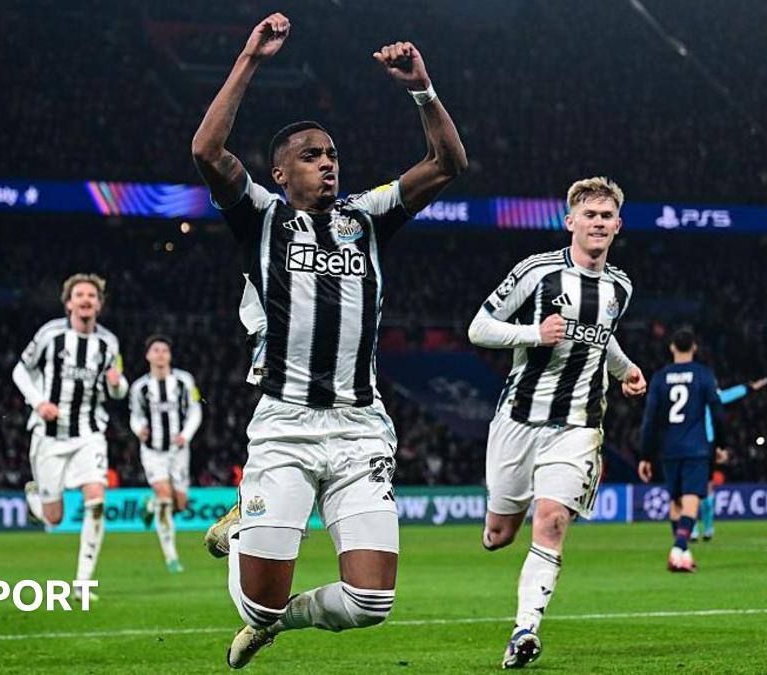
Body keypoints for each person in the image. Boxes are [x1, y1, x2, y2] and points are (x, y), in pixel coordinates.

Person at [190, 12, 467, 668]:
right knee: (255, 604)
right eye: (310, 157)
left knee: (372, 603)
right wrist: (251, 59)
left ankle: (282, 619)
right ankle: (262, 601)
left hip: (358, 426)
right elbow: (206, 151)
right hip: (283, 426)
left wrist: (422, 89)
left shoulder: (367, 218)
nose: (327, 164)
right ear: (281, 174)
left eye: (332, 154)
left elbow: (448, 162)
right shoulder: (261, 218)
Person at [468, 177, 645, 668]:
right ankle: (503, 526)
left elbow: (602, 337)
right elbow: (478, 328)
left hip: (579, 425)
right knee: (499, 536)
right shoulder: (536, 271)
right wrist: (533, 333)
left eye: (606, 217)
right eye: (589, 215)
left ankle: (525, 630)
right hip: (518, 420)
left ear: (617, 226)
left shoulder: (620, 287)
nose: (598, 224)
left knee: (552, 521)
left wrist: (625, 369)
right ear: (571, 223)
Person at [12, 274, 128, 599]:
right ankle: (36, 495)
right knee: (54, 517)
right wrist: (39, 402)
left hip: (89, 433)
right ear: (69, 303)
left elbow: (118, 390)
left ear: (99, 304)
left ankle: (82, 582)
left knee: (96, 501)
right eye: (80, 295)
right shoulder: (50, 335)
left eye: (92, 295)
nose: (86, 299)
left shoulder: (109, 343)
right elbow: (20, 370)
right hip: (49, 435)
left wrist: (117, 383)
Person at [637, 328, 727, 572]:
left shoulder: (660, 377)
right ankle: (678, 548)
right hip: (696, 447)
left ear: (672, 348)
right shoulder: (703, 375)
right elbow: (717, 412)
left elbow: (650, 419)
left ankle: (684, 555)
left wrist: (645, 455)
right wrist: (721, 444)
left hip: (669, 449)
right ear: (694, 348)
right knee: (690, 501)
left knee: (675, 502)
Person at [130, 334, 203, 572]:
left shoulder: (184, 381)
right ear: (148, 355)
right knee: (164, 496)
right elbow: (135, 414)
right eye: (156, 350)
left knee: (179, 505)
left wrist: (186, 435)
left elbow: (195, 411)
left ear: (170, 355)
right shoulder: (139, 387)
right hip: (153, 451)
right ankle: (171, 558)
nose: (160, 354)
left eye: (164, 350)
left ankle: (149, 505)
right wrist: (138, 428)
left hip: (178, 450)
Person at [692, 377, 767, 541]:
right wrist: (750, 386)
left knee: (691, 486)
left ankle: (693, 530)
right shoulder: (713, 396)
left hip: (691, 443)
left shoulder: (691, 397)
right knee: (706, 487)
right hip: (707, 444)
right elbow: (731, 394)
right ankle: (707, 528)